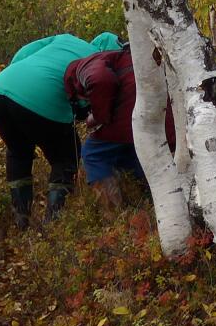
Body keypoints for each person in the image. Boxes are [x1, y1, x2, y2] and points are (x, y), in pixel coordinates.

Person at [0, 31, 122, 228]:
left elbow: (25, 51)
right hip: (40, 97)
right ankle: (54, 223)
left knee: (18, 152)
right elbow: (88, 102)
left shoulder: (65, 39)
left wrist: (16, 80)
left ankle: (21, 220)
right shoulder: (100, 60)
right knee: (66, 156)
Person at [62, 44, 176, 208]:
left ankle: (113, 210)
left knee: (94, 153)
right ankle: (154, 201)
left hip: (138, 113)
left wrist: (97, 118)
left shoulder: (82, 67)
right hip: (165, 112)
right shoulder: (119, 58)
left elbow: (100, 79)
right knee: (132, 151)